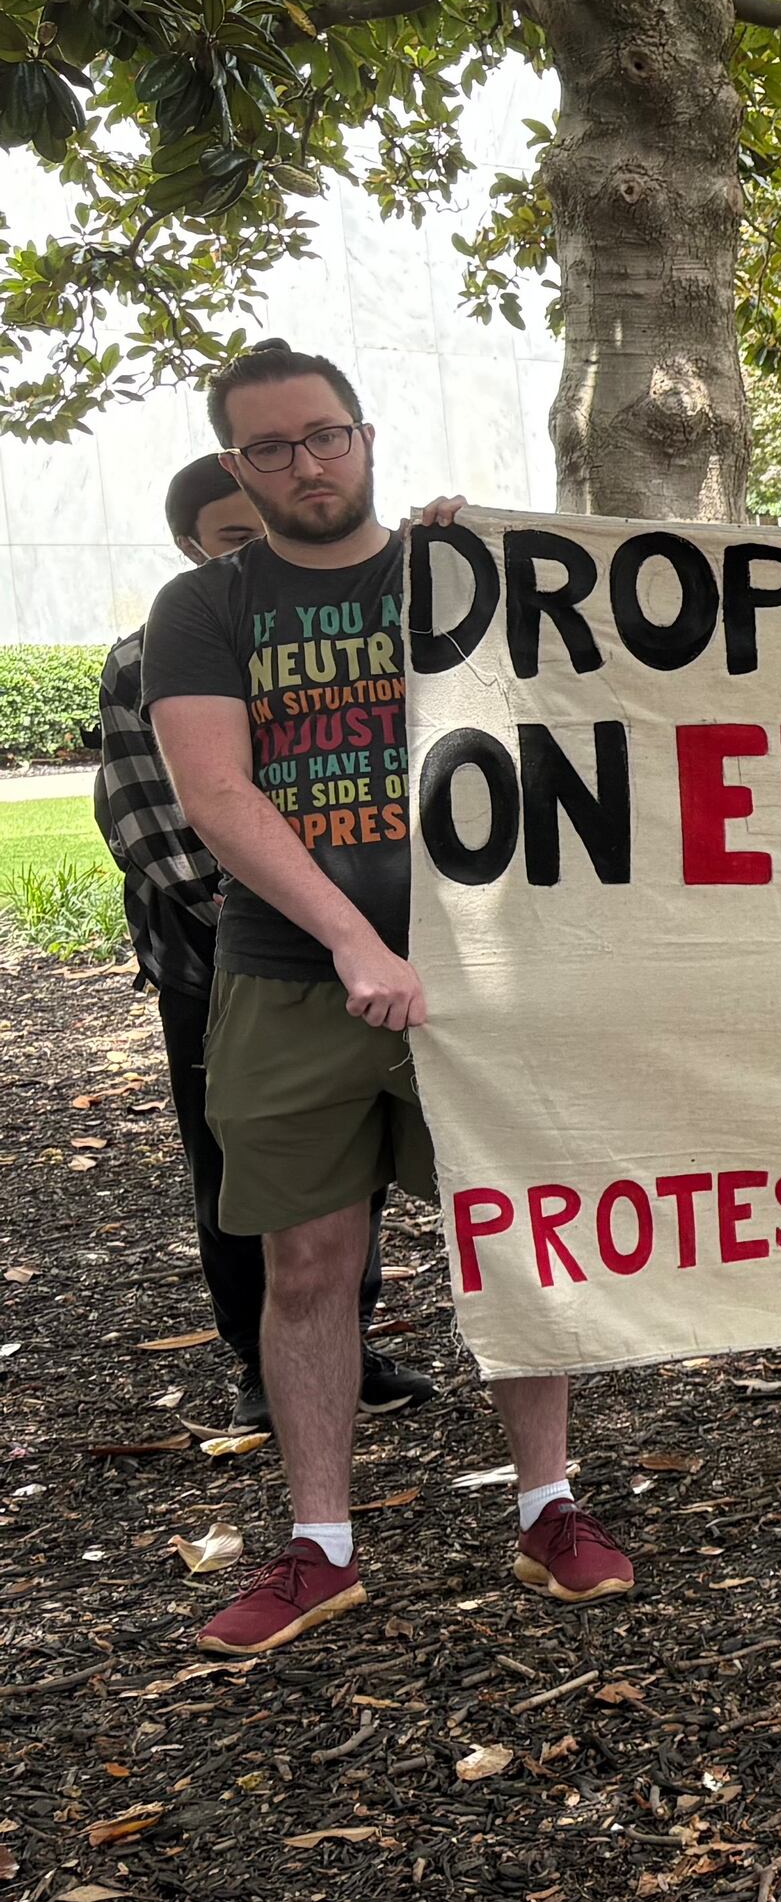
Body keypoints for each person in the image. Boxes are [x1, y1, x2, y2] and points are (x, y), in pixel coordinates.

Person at [146, 341, 636, 1654]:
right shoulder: (205, 608)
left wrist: (502, 549)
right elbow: (218, 796)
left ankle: (548, 1502)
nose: (305, 464)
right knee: (307, 1261)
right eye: (270, 448)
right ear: (236, 466)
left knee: (515, 1232)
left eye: (325, 435)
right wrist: (354, 939)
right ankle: (320, 1545)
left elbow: (605, 700)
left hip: (484, 972)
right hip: (294, 979)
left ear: (366, 436)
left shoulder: (453, 570)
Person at [98, 459, 422, 1437]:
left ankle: (350, 1348)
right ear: (196, 548)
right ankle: (255, 1358)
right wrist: (280, 913)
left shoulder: (403, 599)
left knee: (349, 1185)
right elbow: (157, 818)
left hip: (370, 960)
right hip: (226, 960)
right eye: (234, 538)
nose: (262, 544)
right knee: (252, 1183)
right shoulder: (158, 646)